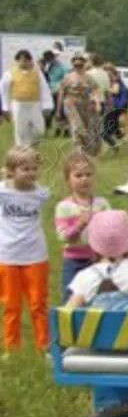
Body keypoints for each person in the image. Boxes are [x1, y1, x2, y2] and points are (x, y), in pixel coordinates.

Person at [0, 146, 51, 358]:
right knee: (11, 305)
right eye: (24, 169)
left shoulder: (41, 194)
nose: (30, 173)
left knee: (38, 303)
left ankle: (44, 345)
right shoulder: (2, 192)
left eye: (34, 168)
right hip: (7, 256)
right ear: (11, 171)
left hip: (35, 256)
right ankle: (11, 347)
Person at [54, 152, 110, 299]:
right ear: (68, 179)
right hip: (73, 262)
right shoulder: (64, 207)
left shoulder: (102, 204)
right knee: (71, 298)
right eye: (78, 175)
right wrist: (79, 225)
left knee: (97, 297)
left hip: (97, 259)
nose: (84, 179)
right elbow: (63, 237)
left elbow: (112, 230)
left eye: (88, 174)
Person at [0, 49, 55, 148]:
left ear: (30, 60)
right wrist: (5, 108)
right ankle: (23, 150)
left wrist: (47, 105)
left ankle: (31, 144)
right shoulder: (10, 73)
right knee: (20, 129)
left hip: (34, 104)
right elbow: (4, 91)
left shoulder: (37, 73)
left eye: (27, 60)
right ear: (17, 61)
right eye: (22, 60)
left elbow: (44, 89)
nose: (24, 62)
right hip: (18, 104)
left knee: (39, 130)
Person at [60, 53, 103, 156]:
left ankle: (88, 152)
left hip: (86, 105)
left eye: (80, 65)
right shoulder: (68, 77)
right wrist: (59, 110)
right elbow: (62, 92)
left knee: (90, 130)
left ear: (84, 64)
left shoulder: (89, 78)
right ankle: (79, 152)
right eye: (76, 65)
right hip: (72, 106)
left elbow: (96, 90)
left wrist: (97, 103)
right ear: (73, 65)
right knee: (77, 129)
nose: (78, 67)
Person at [101, 64, 128, 153]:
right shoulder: (115, 80)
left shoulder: (115, 80)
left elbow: (116, 90)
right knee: (116, 130)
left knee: (104, 132)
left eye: (107, 71)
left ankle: (114, 147)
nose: (106, 73)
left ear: (112, 71)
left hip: (115, 108)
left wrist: (105, 89)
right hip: (115, 108)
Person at [40, 49, 68, 135]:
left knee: (59, 111)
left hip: (58, 92)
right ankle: (48, 128)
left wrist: (61, 88)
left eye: (49, 59)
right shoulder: (48, 67)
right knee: (48, 111)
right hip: (49, 92)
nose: (48, 61)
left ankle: (63, 130)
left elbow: (65, 79)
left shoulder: (62, 67)